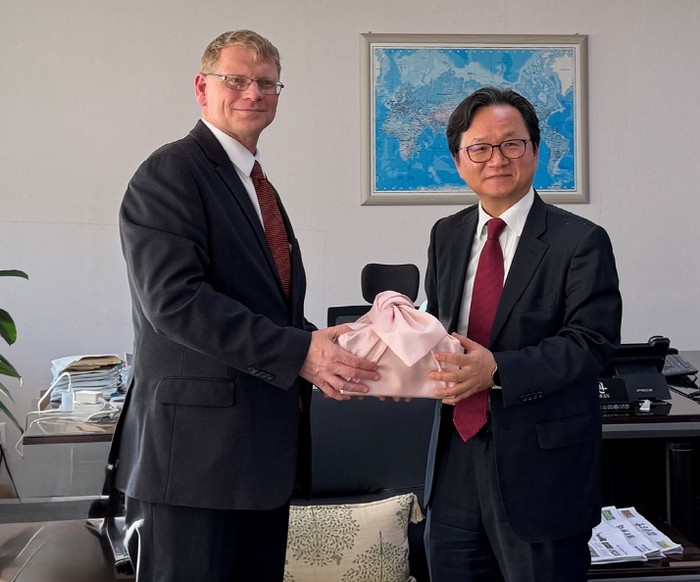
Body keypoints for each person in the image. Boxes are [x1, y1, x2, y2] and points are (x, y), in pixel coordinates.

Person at [114, 29, 378, 582]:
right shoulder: (172, 171)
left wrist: (342, 347)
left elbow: (267, 307)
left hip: (259, 461)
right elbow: (175, 301)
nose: (252, 93)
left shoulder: (256, 183)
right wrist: (300, 351)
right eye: (235, 80)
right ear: (202, 88)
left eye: (266, 83)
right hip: (195, 464)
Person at [423, 86, 622, 581]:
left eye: (512, 143)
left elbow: (592, 344)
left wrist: (497, 370)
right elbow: (439, 327)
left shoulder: (580, 241)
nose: (497, 159)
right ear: (459, 161)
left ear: (535, 150)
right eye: (480, 148)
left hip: (541, 469)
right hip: (454, 455)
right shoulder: (446, 234)